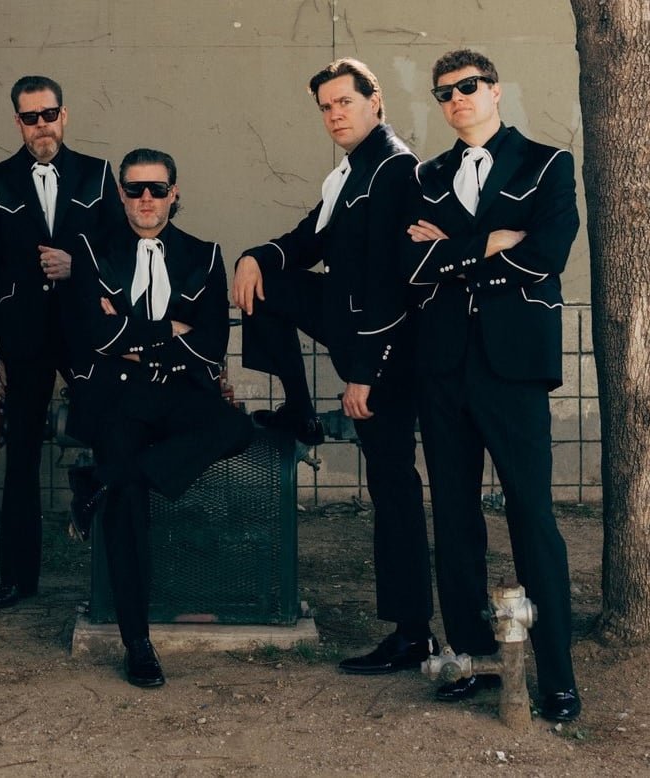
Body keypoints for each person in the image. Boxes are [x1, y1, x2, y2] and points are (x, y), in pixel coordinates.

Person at [232, 58, 438, 675]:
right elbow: (307, 241)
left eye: (345, 102)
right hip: (351, 327)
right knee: (265, 282)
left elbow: (392, 284)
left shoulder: (394, 168)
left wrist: (364, 373)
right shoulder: (351, 173)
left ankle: (412, 632)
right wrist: (255, 255)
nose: (334, 115)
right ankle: (299, 411)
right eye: (325, 107)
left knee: (392, 482)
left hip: (387, 352)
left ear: (375, 101)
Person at [402, 49, 581, 722]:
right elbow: (410, 263)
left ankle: (557, 675)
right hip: (443, 366)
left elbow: (547, 252)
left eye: (469, 86)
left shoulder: (546, 163)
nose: (457, 99)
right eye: (444, 92)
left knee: (532, 515)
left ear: (496, 90)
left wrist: (452, 252)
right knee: (453, 517)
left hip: (515, 366)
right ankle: (468, 658)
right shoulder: (426, 177)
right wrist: (489, 243)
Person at [67, 148, 253, 687]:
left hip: (179, 394)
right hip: (118, 397)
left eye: (156, 188)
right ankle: (138, 642)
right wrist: (170, 331)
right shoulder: (92, 250)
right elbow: (95, 336)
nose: (145, 199)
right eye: (134, 189)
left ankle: (99, 479)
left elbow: (211, 343)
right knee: (128, 507)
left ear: (174, 192)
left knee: (235, 428)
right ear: (121, 194)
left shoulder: (203, 254)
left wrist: (133, 339)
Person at [0, 75, 123, 611]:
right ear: (18, 122)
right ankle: (18, 577)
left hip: (86, 334)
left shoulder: (97, 173)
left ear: (64, 115)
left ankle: (117, 573)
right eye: (30, 117)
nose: (42, 125)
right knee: (21, 456)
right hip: (24, 338)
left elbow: (121, 251)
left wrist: (76, 264)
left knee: (112, 438)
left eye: (49, 114)